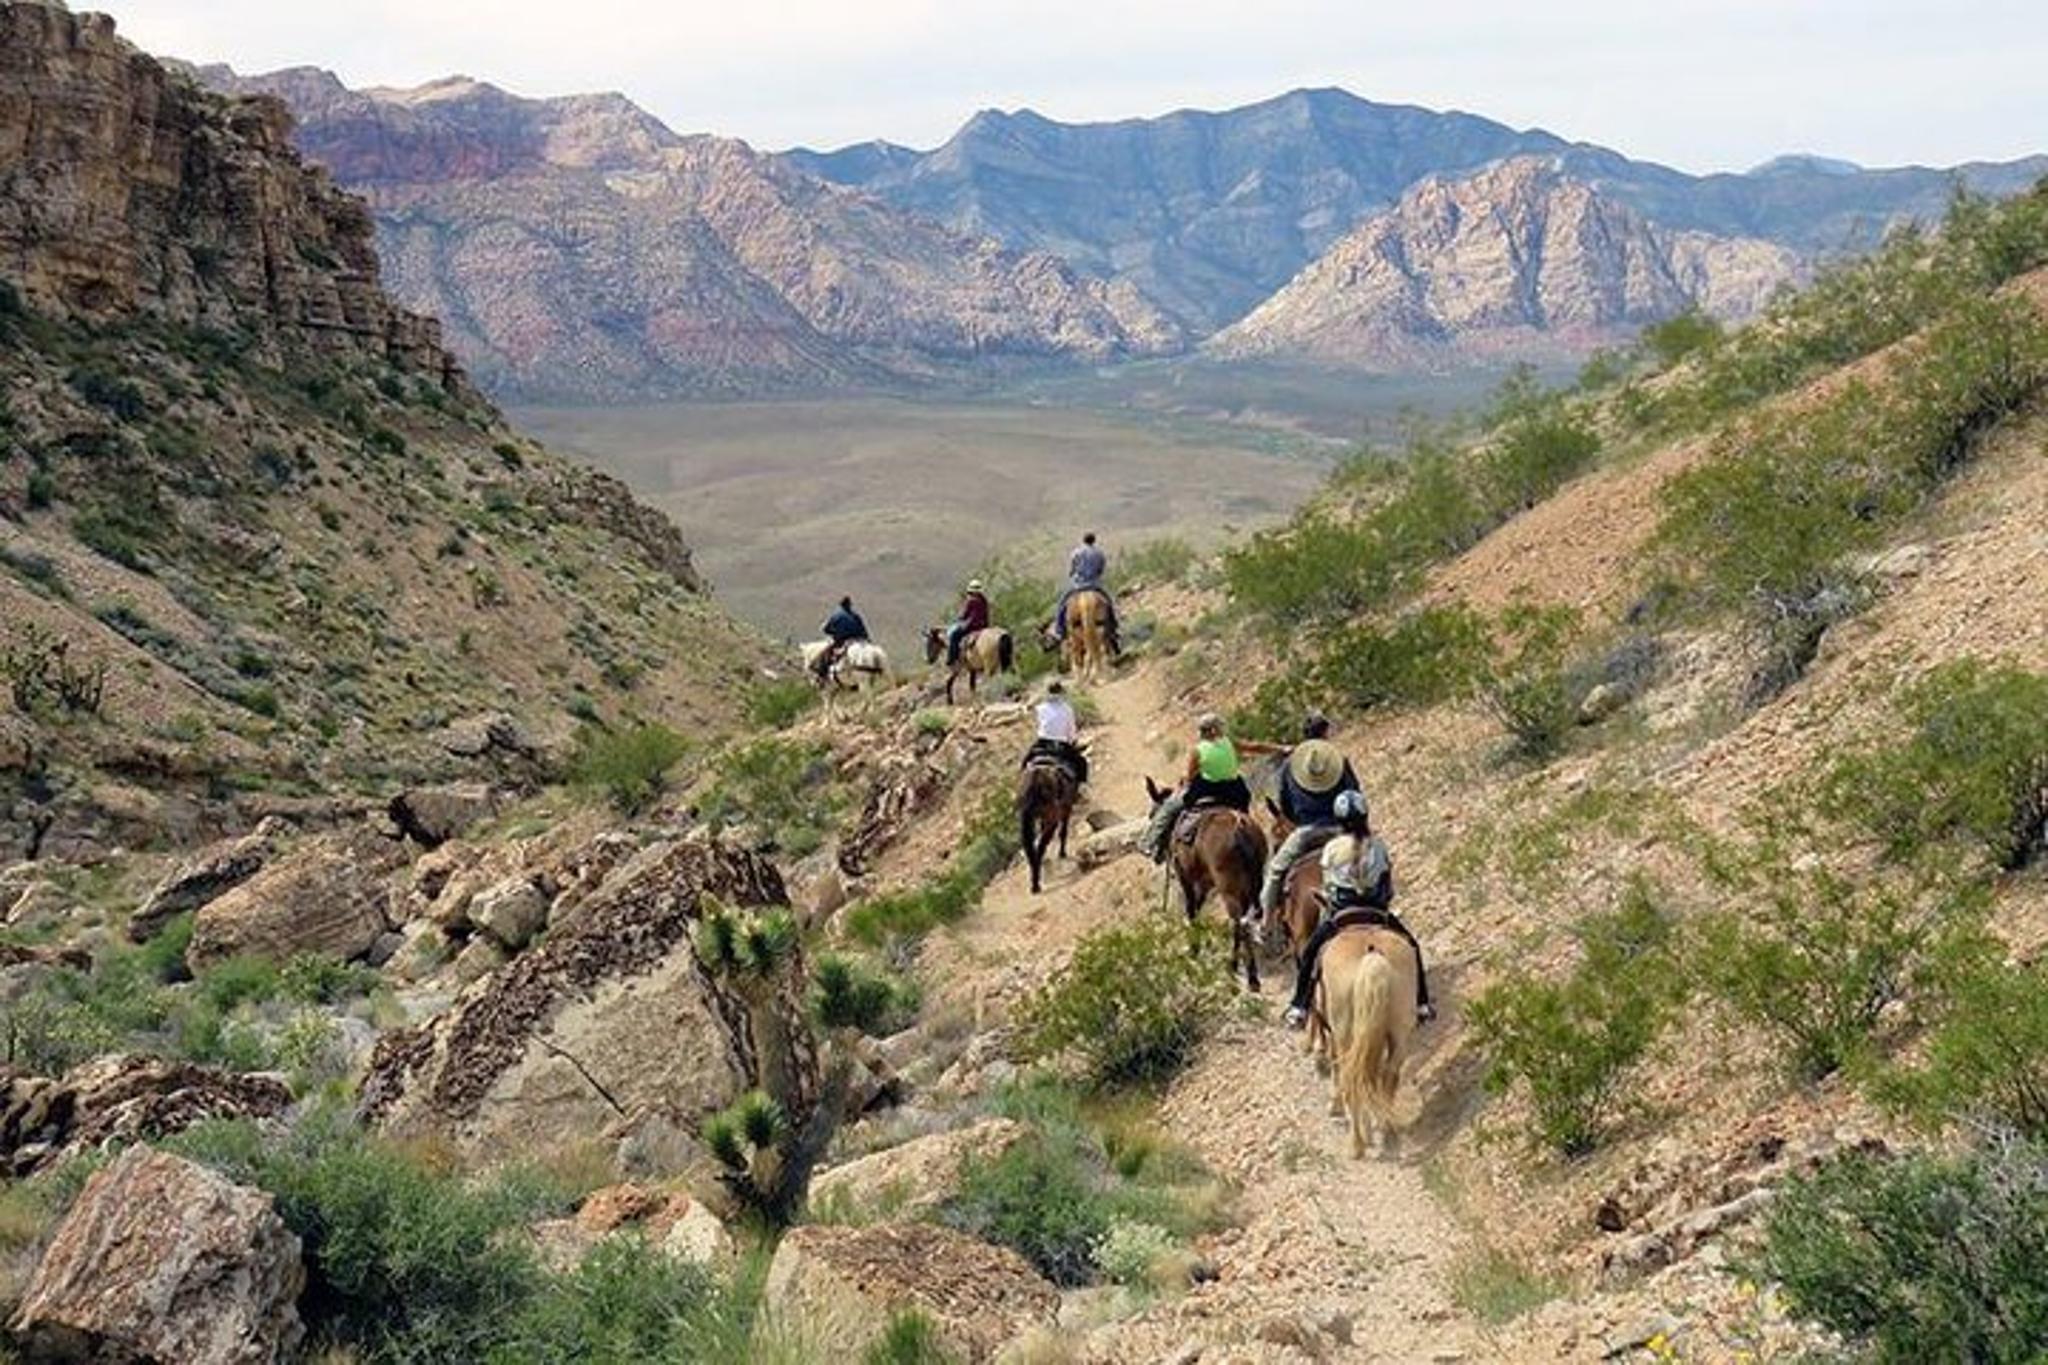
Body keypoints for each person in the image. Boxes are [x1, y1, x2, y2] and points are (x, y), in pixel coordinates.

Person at [1283, 790, 1433, 1029]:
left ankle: (1299, 1005)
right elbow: (1386, 884)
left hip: (1342, 913)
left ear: (1339, 820)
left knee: (1311, 952)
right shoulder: (1378, 846)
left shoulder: (1332, 848)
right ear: (1365, 816)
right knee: (1412, 946)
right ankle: (1422, 1003)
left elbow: (1329, 884)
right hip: (1376, 911)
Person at [1258, 712, 1363, 919]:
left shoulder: (1291, 764)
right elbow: (1354, 796)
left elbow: (1285, 802)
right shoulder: (1339, 761)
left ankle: (1266, 922)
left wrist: (1297, 819)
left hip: (1306, 832)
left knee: (1275, 872)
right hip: (1339, 830)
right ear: (1325, 732)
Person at [1146, 713, 1284, 862]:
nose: (1222, 730)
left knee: (1170, 807)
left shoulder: (1198, 751)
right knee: (1245, 813)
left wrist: (1183, 781)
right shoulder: (1229, 742)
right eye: (1220, 727)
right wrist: (1281, 749)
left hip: (1208, 790)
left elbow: (1189, 777)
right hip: (1235, 791)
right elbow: (1255, 747)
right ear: (1214, 730)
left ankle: (1150, 841)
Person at [1048, 532, 1120, 654]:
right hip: (1095, 585)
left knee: (1061, 605)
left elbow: (1072, 570)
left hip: (1077, 585)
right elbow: (1100, 570)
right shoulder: (1099, 553)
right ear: (1094, 541)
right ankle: (1113, 628)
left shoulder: (1076, 552)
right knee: (1110, 603)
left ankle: (1059, 630)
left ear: (1083, 541)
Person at [1022, 679, 1088, 785]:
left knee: (1025, 762)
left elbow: (1037, 725)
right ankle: (1082, 788)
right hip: (1061, 746)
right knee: (1081, 763)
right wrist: (1073, 740)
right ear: (1061, 693)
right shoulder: (1067, 709)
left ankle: (1020, 782)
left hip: (1042, 743)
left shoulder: (1040, 708)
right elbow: (1071, 732)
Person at [816, 595, 870, 679]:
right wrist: (867, 639)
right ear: (850, 605)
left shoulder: (837, 615)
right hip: (858, 640)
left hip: (842, 641)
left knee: (826, 653)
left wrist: (832, 632)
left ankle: (822, 675)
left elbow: (826, 629)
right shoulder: (856, 616)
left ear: (841, 605)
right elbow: (864, 630)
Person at [945, 579, 992, 667]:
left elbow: (965, 615)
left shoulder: (971, 601)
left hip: (972, 626)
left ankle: (952, 659)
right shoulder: (984, 600)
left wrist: (958, 619)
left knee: (954, 636)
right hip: (983, 625)